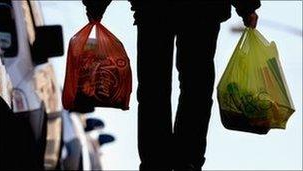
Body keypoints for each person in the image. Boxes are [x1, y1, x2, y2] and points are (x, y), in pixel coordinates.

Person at [82, 0, 260, 170]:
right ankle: (188, 159)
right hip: (202, 10)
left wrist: (96, 5)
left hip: (154, 9)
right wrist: (247, 7)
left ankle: (156, 161)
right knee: (196, 87)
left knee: (154, 89)